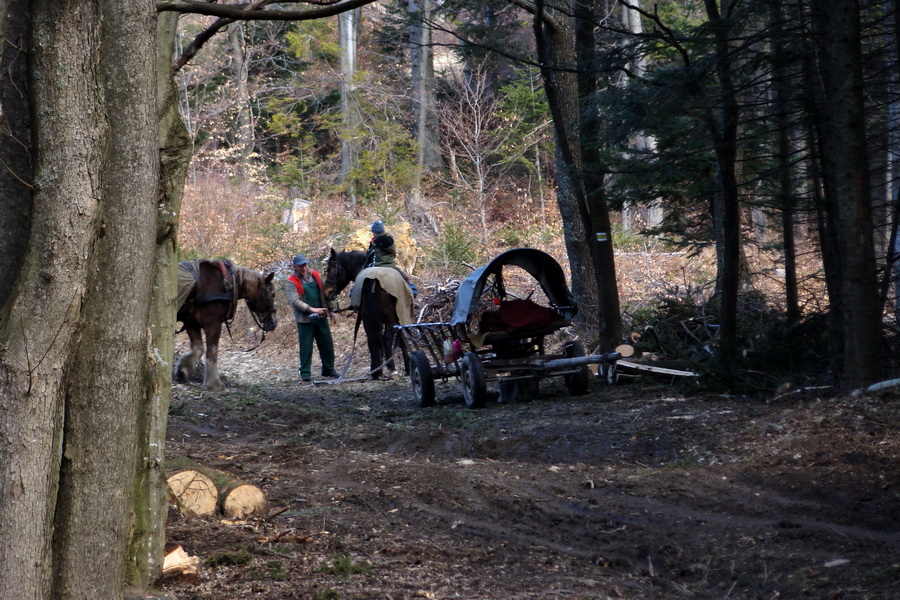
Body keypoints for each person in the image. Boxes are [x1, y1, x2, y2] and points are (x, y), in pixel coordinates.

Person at [286, 253, 338, 382]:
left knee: (327, 344)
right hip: (304, 319)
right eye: (300, 266)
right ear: (294, 267)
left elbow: (326, 293)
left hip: (321, 316)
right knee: (306, 347)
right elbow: (295, 301)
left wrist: (331, 310)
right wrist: (312, 309)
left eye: (305, 264)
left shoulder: (315, 275)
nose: (304, 267)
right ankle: (305, 372)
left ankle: (329, 369)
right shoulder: (291, 282)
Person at [366, 220, 418, 297]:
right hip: (391, 267)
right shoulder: (390, 240)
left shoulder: (375, 242)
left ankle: (354, 301)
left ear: (374, 232)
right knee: (405, 280)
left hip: (376, 267)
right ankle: (413, 296)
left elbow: (369, 256)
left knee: (359, 283)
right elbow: (393, 254)